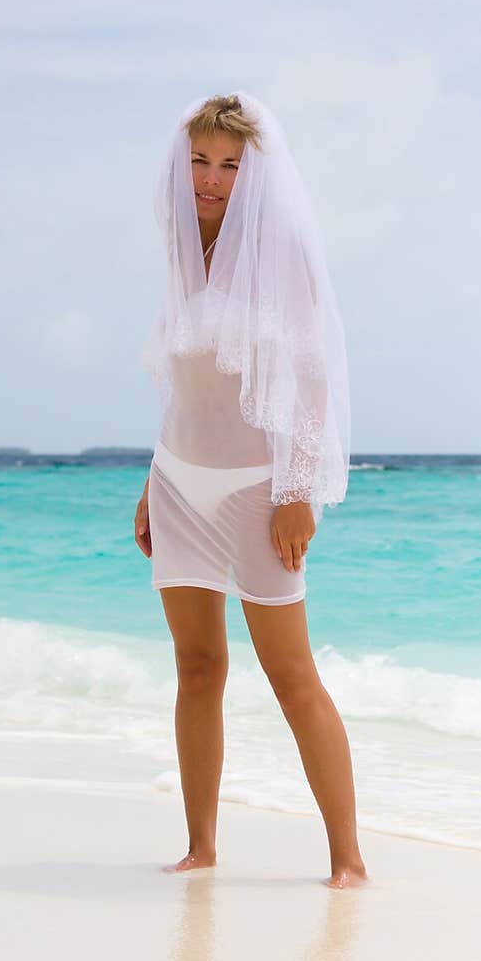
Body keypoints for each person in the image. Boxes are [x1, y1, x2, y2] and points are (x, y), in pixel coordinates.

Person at [135, 91, 367, 889]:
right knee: (197, 668)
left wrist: (297, 491)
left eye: (229, 165)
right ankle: (200, 847)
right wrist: (147, 484)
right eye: (199, 160)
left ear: (255, 173)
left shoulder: (282, 245)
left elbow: (310, 380)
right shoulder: (179, 243)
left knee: (291, 675)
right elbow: (181, 381)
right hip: (177, 482)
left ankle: (348, 861)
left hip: (255, 492)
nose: (210, 179)